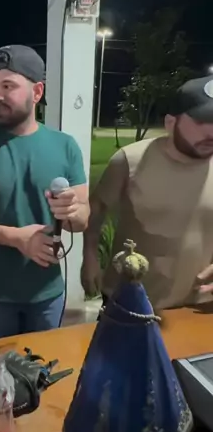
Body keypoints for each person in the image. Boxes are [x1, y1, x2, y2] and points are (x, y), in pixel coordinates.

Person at [0, 44, 89, 340]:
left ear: (37, 92)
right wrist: (15, 237)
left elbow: (82, 218)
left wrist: (72, 211)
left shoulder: (65, 146)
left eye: (8, 86)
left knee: (45, 364)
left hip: (47, 293)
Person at [82, 75, 213, 310]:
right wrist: (90, 255)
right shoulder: (129, 160)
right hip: (128, 300)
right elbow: (97, 207)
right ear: (171, 123)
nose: (211, 132)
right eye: (203, 121)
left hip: (198, 305)